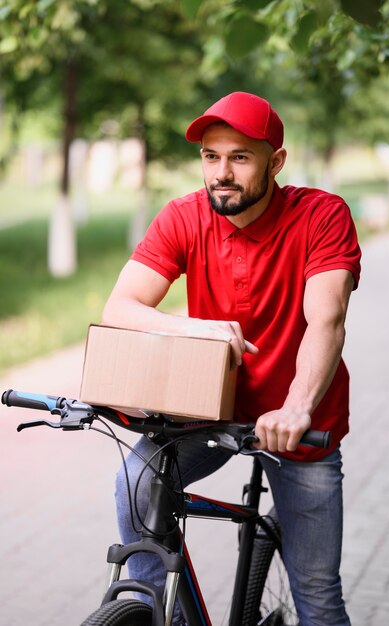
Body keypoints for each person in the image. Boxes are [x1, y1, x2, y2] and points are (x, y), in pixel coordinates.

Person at [102, 91, 361, 625]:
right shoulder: (183, 217)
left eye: (240, 157)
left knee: (317, 595)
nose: (222, 172)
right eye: (211, 156)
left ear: (276, 162)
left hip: (299, 427)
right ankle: (154, 614)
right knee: (137, 479)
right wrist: (201, 329)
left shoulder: (321, 216)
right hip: (213, 411)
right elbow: (120, 308)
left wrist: (296, 409)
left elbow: (326, 321)